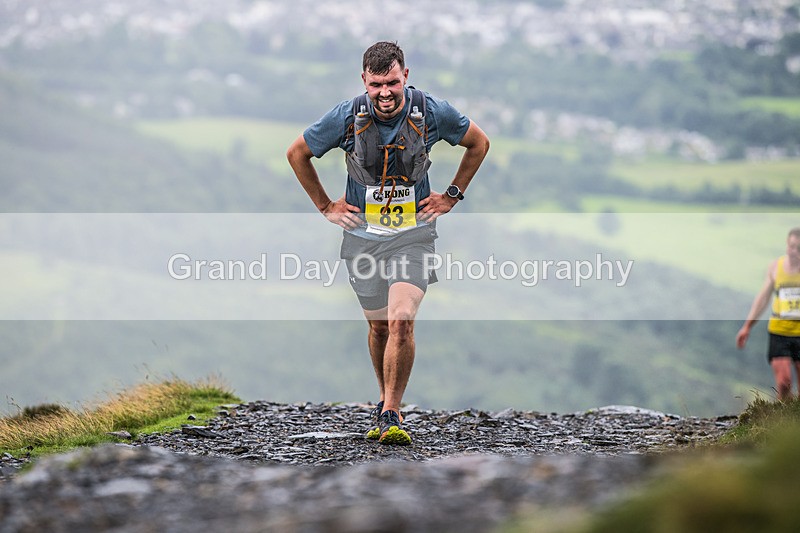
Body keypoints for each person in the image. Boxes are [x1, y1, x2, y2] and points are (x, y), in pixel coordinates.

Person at [286, 41, 490, 445]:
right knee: (379, 327)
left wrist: (451, 194)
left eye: (393, 83)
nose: (385, 93)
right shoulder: (346, 116)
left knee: (401, 319)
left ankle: (392, 412)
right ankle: (384, 402)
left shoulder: (430, 111)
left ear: (406, 77)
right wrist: (326, 206)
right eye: (377, 84)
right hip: (362, 240)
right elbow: (297, 154)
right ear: (364, 80)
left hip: (414, 236)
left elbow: (478, 143)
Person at [736, 227, 800, 401]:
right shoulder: (775, 267)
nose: (794, 251)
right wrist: (747, 326)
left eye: (798, 248)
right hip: (779, 332)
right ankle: (780, 424)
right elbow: (763, 299)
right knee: (784, 382)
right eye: (791, 246)